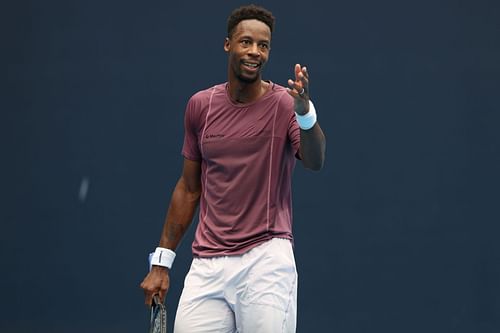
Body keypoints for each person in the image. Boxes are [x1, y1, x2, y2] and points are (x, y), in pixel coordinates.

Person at [140, 4, 326, 332]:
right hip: (207, 265)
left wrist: (305, 112)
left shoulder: (285, 104)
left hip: (266, 260)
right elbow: (188, 188)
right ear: (228, 44)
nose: (255, 51)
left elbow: (314, 160)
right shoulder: (201, 106)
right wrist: (162, 261)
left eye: (263, 45)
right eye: (246, 42)